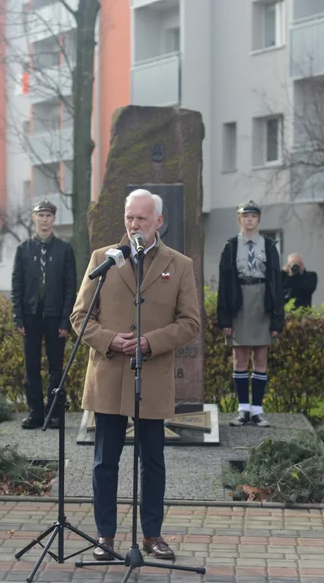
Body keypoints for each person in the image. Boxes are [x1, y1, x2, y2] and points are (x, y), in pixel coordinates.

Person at [72, 188, 201, 562]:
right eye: (129, 217)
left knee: (153, 461)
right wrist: (111, 339)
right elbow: (80, 318)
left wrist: (150, 342)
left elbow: (190, 322)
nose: (134, 225)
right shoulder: (103, 259)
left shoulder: (179, 265)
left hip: (153, 376)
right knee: (104, 461)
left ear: (159, 222)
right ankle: (105, 536)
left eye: (141, 218)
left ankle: (153, 535)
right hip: (109, 374)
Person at [216, 200, 284, 428]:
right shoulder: (231, 246)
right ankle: (243, 409)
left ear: (259, 220)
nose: (250, 220)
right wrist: (224, 318)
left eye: (253, 216)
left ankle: (257, 410)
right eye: (246, 216)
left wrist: (277, 318)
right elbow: (224, 284)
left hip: (262, 300)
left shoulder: (269, 245)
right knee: (240, 358)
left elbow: (277, 282)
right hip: (240, 300)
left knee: (261, 357)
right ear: (240, 219)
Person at [12, 199, 77, 429]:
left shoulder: (64, 250)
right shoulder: (23, 250)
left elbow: (71, 288)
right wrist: (17, 317)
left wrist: (66, 320)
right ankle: (35, 414)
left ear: (54, 219)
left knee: (56, 367)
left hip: (54, 316)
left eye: (48, 215)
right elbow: (16, 285)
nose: (44, 220)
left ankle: (54, 414)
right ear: (34, 218)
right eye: (41, 215)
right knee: (31, 367)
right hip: (30, 315)